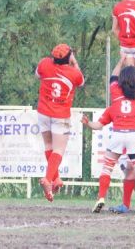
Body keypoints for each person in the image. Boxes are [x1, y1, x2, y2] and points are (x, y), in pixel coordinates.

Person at [81, 52, 135, 215]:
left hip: (117, 135)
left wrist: (121, 60)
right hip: (134, 136)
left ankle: (101, 198)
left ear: (121, 81)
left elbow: (112, 78)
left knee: (107, 168)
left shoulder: (115, 93)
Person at [35, 44, 84, 202]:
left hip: (43, 112)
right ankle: (48, 179)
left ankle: (56, 179)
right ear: (68, 57)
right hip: (60, 115)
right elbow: (81, 82)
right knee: (59, 150)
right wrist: (74, 63)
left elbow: (38, 75)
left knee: (48, 146)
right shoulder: (73, 73)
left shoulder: (44, 63)